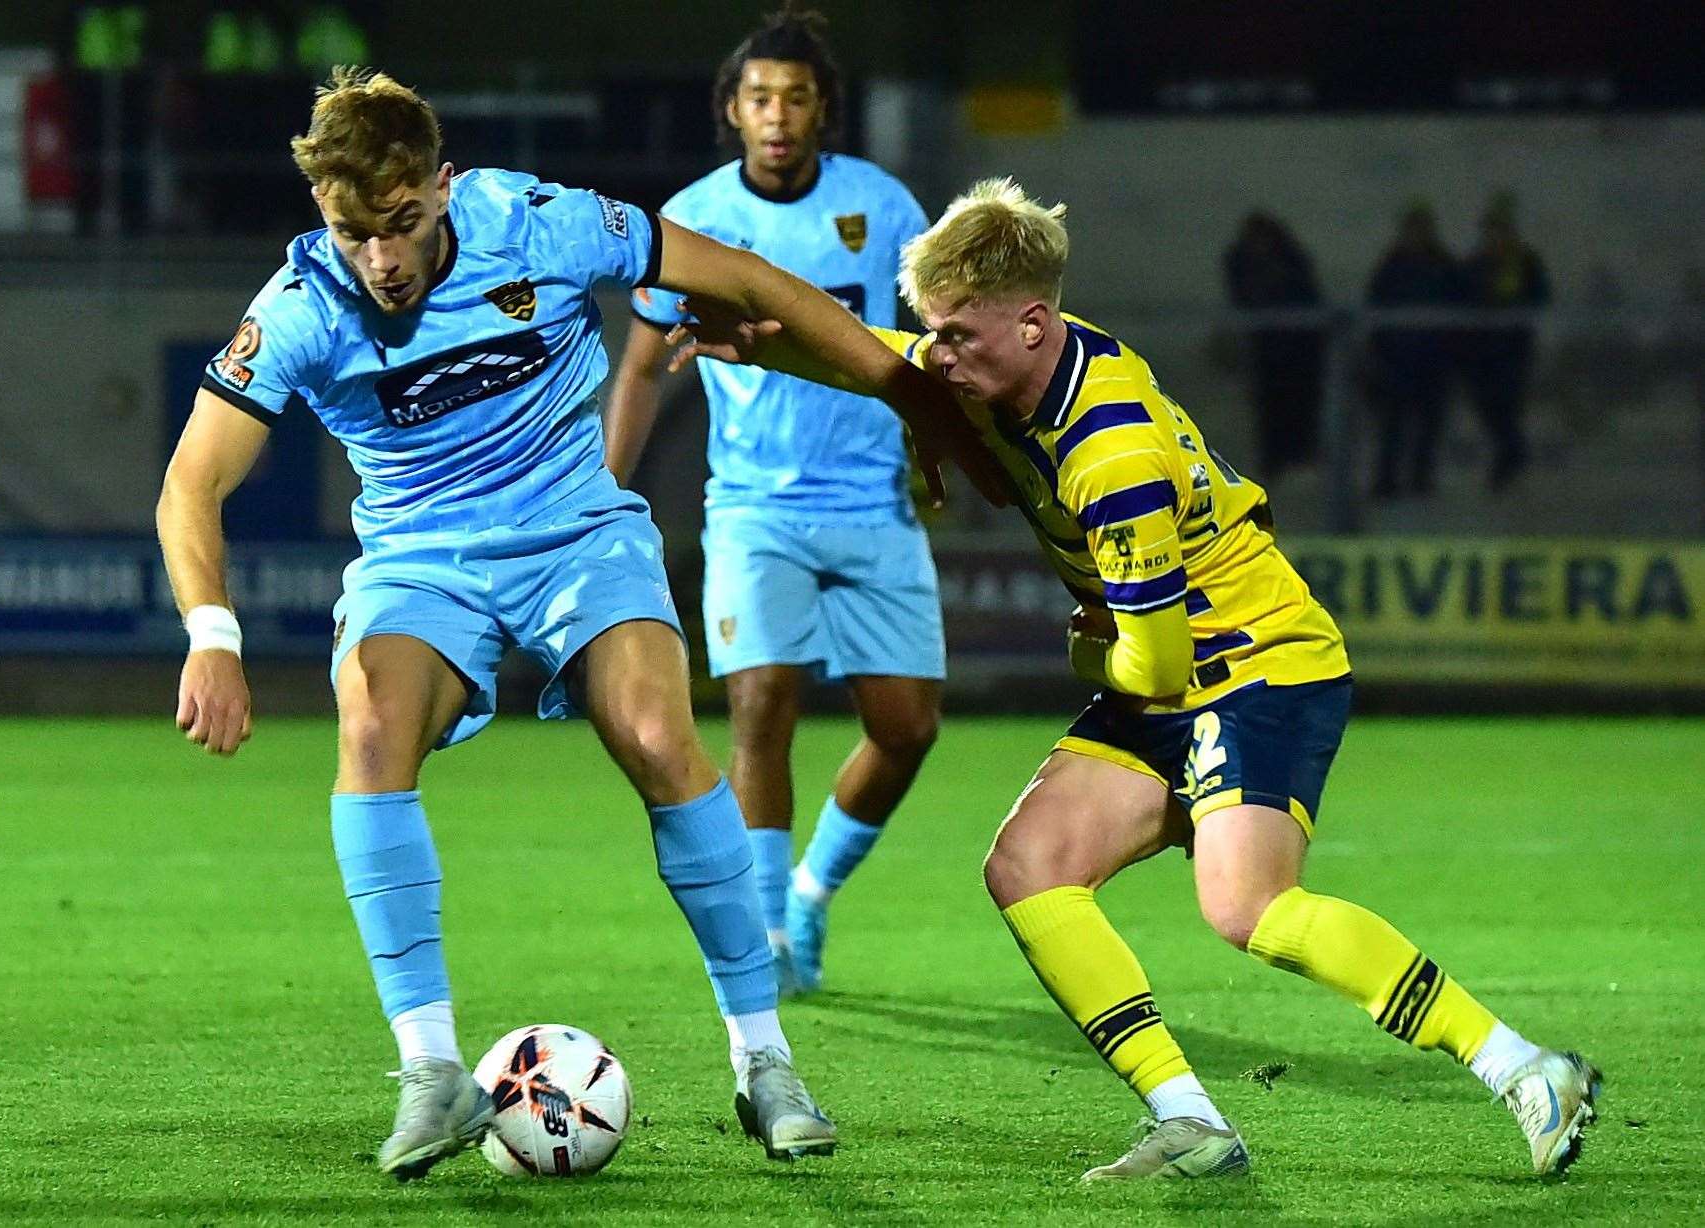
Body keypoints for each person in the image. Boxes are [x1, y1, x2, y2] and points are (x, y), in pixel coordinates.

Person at [668, 178, 1602, 1181]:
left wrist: (1080, 652)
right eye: (934, 331)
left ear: (1032, 323)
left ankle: (1525, 1068)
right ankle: (1188, 1117)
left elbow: (1146, 665)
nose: (942, 355)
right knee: (1027, 866)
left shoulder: (1107, 450)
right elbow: (896, 365)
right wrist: (769, 341)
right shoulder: (1021, 362)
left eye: (957, 336)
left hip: (1258, 661)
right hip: (1177, 664)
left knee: (1249, 907)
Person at [154, 67, 985, 1181]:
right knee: (368, 727)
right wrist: (215, 635)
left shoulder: (533, 223)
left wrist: (909, 390)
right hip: (422, 558)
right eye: (357, 233)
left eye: (401, 225)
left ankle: (764, 1058)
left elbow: (744, 276)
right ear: (325, 215)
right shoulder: (302, 308)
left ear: (442, 188)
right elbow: (190, 482)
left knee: (656, 735)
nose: (383, 260)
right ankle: (430, 1069)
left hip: (577, 530)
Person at [604, 8, 941, 998]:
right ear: (732, 111)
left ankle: (809, 891)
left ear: (823, 109)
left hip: (873, 502)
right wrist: (603, 492)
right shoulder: (695, 218)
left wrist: (936, 439)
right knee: (761, 700)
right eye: (761, 98)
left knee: (906, 728)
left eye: (797, 97)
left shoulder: (882, 209)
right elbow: (638, 372)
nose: (779, 115)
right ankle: (761, 942)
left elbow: (928, 343)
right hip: (752, 504)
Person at [1365, 202, 1461, 498]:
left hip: (1431, 361)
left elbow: (1456, 309)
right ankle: (1388, 481)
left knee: (1427, 427)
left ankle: (1420, 481)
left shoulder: (1441, 266)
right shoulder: (1393, 266)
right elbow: (1377, 308)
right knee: (1394, 426)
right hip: (1398, 361)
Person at [1222, 212, 1325, 482]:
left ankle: (1295, 461)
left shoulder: (1286, 265)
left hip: (1296, 351)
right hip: (1270, 353)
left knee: (1295, 408)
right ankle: (1278, 464)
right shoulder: (1251, 265)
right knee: (1272, 411)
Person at [1459, 191, 1550, 491]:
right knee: (1487, 407)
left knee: (1506, 407)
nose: (1495, 237)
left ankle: (1509, 460)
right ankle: (1512, 455)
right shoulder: (1475, 265)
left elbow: (1540, 297)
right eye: (1491, 231)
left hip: (1511, 351)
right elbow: (1461, 298)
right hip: (1480, 353)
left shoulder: (1524, 264)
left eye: (1500, 231)